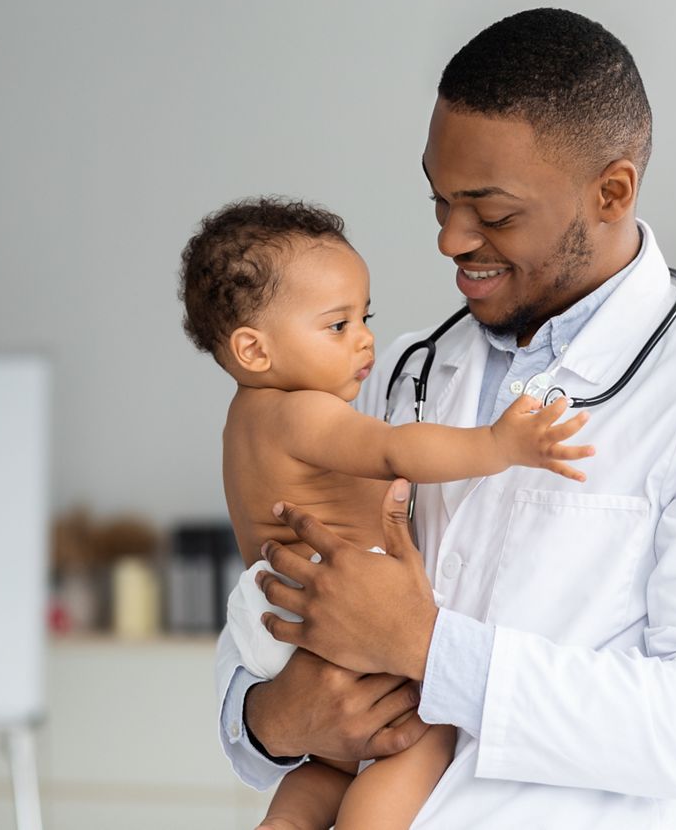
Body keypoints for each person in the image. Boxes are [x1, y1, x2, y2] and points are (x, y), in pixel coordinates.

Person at [214, 8, 676, 829]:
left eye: (492, 212)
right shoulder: (395, 372)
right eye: (439, 201)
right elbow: (273, 625)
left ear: (611, 191)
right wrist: (273, 718)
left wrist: (431, 651)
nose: (450, 239)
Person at [178, 196, 593, 829]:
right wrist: (496, 446)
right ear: (255, 351)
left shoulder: (244, 420)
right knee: (420, 731)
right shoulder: (303, 412)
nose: (366, 338)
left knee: (329, 762)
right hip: (335, 600)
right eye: (337, 326)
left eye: (364, 317)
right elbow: (393, 448)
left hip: (278, 612)